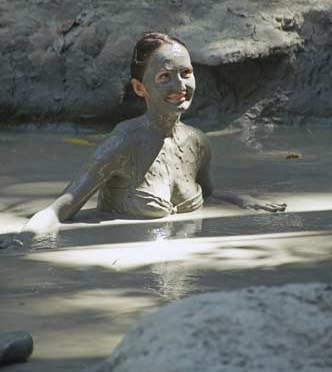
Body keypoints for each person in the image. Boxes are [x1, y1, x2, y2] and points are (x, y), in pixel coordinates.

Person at [24, 32, 286, 238]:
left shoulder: (198, 143)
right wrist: (21, 243)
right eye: (164, 76)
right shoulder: (124, 142)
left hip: (185, 271)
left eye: (186, 73)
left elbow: (207, 194)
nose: (180, 86)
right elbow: (58, 211)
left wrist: (242, 201)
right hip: (127, 272)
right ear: (140, 88)